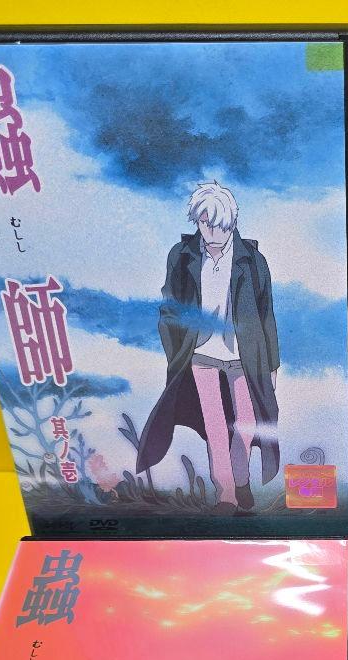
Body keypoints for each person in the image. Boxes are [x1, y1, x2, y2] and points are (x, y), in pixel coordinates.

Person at [136, 182, 280, 513]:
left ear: (232, 221)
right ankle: (226, 494)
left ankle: (241, 476)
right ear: (197, 221)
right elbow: (170, 306)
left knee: (247, 422)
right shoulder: (182, 256)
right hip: (201, 355)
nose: (213, 231)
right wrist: (176, 351)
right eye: (205, 223)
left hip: (244, 356)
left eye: (220, 224)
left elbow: (266, 312)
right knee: (215, 426)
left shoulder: (252, 260)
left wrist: (272, 364)